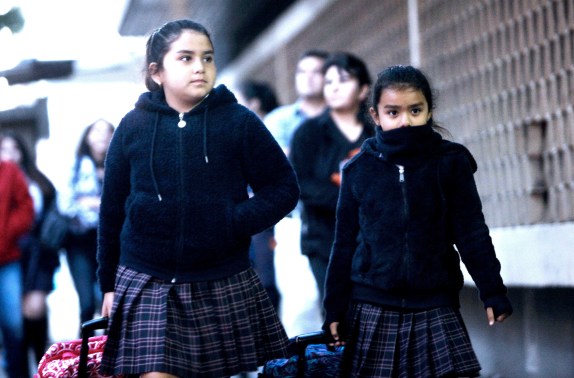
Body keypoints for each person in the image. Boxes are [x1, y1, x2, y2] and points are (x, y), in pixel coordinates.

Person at [97, 19, 299, 378]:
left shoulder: (239, 121)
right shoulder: (133, 126)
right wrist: (108, 284)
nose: (199, 68)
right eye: (186, 58)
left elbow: (283, 188)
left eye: (207, 58)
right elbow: (111, 210)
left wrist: (233, 221)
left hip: (219, 276)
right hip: (147, 277)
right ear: (157, 72)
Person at [323, 65, 513, 377]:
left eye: (415, 110)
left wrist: (492, 291)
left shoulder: (451, 162)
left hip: (435, 303)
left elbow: (471, 232)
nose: (405, 121)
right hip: (372, 303)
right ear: (376, 116)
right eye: (393, 112)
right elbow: (343, 244)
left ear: (428, 110)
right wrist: (334, 309)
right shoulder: (358, 169)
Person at [290, 52, 373, 305]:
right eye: (329, 82)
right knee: (337, 315)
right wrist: (351, 199)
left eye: (344, 80)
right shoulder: (308, 133)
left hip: (373, 243)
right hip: (324, 241)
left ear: (362, 90)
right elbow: (300, 184)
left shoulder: (376, 133)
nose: (334, 87)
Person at [0, 132, 60, 374]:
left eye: (14, 148)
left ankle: (35, 368)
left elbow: (29, 210)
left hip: (22, 257)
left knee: (22, 319)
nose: (10, 153)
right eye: (5, 148)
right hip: (18, 256)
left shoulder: (25, 177)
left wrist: (6, 233)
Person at [59, 118, 114, 332]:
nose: (102, 135)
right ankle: (82, 357)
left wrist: (92, 202)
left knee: (108, 303)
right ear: (87, 135)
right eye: (97, 130)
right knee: (86, 304)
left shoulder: (118, 164)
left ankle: (108, 356)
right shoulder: (75, 165)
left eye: (107, 131)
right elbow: (65, 203)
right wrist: (98, 205)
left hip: (109, 241)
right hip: (80, 241)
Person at [236, 80, 282, 310]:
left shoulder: (272, 133)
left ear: (254, 104)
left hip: (273, 220)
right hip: (255, 220)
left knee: (269, 284)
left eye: (239, 101)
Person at [0, 159, 34, 378]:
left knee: (14, 324)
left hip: (7, 260)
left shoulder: (9, 170)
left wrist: (5, 233)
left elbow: (26, 208)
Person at [264, 49, 329, 155]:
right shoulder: (277, 119)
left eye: (316, 71)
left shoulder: (341, 116)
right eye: (302, 72)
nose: (308, 77)